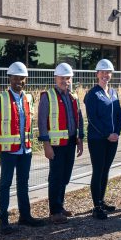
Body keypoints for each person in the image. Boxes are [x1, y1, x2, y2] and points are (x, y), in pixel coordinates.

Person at [0, 62, 45, 234]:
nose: (18, 81)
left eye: (21, 78)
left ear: (25, 80)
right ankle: (3, 220)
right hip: (8, 151)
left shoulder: (28, 98)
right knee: (5, 184)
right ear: (10, 78)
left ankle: (25, 216)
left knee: (23, 183)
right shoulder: (0, 99)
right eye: (15, 78)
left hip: (25, 150)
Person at [38, 62, 84, 224]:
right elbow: (42, 122)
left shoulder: (74, 96)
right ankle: (55, 211)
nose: (64, 81)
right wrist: (46, 145)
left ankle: (60, 205)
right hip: (56, 145)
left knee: (65, 176)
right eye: (61, 78)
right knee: (56, 176)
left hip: (70, 142)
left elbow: (79, 119)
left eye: (67, 78)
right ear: (55, 78)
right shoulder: (47, 96)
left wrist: (80, 139)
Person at [84, 59, 121, 219]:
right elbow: (93, 119)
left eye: (108, 72)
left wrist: (117, 133)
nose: (105, 75)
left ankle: (101, 200)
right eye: (102, 72)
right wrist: (107, 134)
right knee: (98, 170)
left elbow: (119, 115)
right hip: (98, 139)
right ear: (97, 74)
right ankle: (96, 206)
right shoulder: (92, 94)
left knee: (106, 170)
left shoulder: (113, 92)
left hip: (112, 139)